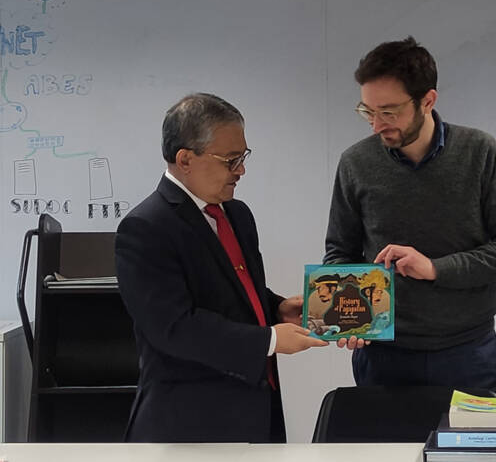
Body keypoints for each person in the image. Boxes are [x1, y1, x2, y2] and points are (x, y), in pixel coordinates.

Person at [115, 93, 363, 443]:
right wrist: (270, 339)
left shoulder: (237, 214)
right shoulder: (146, 227)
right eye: (230, 160)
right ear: (185, 159)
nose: (241, 170)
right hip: (187, 425)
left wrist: (276, 307)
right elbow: (173, 327)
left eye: (243, 157)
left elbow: (230, 291)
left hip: (256, 411)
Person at [325, 37, 496, 397]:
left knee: (479, 439)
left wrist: (436, 268)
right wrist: (352, 319)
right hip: (384, 358)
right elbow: (340, 253)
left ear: (427, 101)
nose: (376, 125)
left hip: (470, 354)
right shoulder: (355, 162)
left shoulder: (479, 151)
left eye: (388, 112)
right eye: (368, 111)